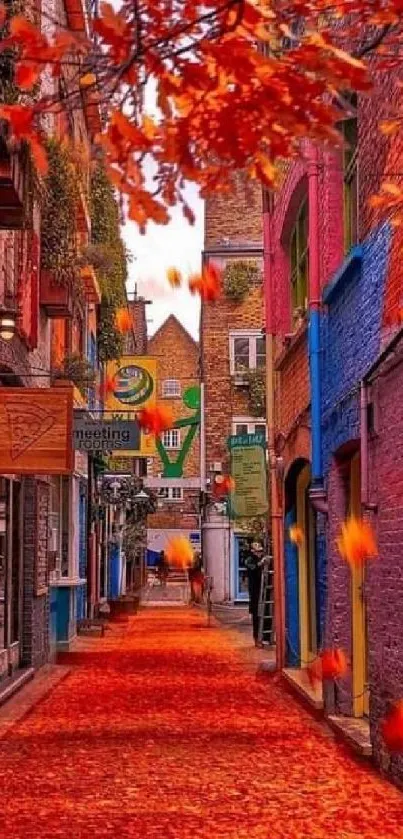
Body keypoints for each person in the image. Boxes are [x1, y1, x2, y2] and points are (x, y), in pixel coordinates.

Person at [245, 541, 265, 646]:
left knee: (264, 614)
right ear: (253, 551)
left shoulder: (262, 559)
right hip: (255, 592)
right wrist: (260, 564)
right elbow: (252, 568)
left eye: (260, 551)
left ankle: (264, 637)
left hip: (263, 591)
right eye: (257, 551)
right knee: (256, 616)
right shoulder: (249, 560)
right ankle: (257, 638)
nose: (259, 553)